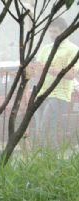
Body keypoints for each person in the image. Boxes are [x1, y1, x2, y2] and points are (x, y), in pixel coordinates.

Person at [33, 18, 79, 148]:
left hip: (59, 95)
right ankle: (48, 159)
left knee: (45, 127)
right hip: (41, 93)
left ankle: (41, 155)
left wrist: (49, 69)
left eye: (55, 31)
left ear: (64, 31)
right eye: (50, 31)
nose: (52, 34)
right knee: (41, 129)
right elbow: (37, 71)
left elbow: (71, 75)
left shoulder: (73, 50)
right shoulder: (46, 49)